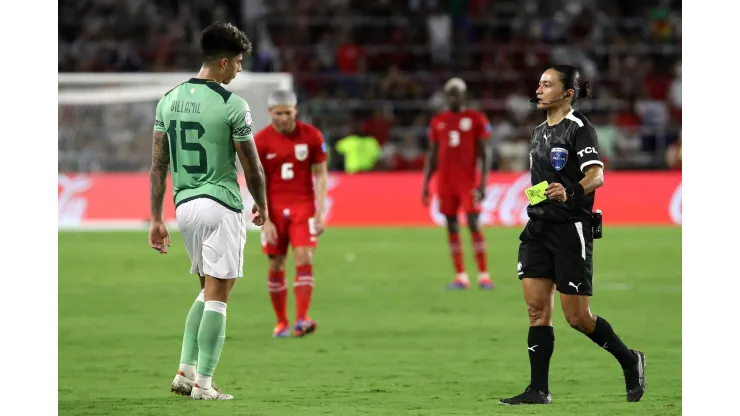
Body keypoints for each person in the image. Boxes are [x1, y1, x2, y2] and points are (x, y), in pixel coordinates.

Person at [499, 65, 646, 405]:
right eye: (538, 83)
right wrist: (534, 198)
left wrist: (569, 192)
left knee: (577, 318)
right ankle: (538, 390)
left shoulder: (579, 128)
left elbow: (595, 176)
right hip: (537, 229)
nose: (538, 89)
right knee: (537, 311)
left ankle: (630, 360)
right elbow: (540, 185)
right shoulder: (537, 133)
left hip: (571, 230)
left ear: (567, 93)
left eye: (547, 84)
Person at [148, 22, 268, 401]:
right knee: (219, 295)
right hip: (220, 204)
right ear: (222, 61)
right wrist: (262, 204)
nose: (239, 69)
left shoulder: (168, 99)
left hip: (184, 207)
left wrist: (155, 217)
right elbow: (252, 166)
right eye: (237, 62)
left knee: (209, 289)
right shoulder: (233, 105)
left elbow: (158, 165)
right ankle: (204, 385)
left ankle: (185, 372)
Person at [253, 90, 328, 338]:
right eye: (278, 114)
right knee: (276, 263)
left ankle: (301, 319)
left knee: (304, 257)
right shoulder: (261, 141)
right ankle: (281, 323)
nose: (283, 118)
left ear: (296, 110)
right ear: (270, 113)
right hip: (273, 208)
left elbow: (321, 174)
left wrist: (319, 212)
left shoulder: (312, 136)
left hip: (303, 206)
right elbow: (256, 180)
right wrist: (265, 219)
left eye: (287, 113)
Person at [421, 78, 494, 290]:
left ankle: (483, 275)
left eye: (456, 93)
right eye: (449, 93)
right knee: (451, 224)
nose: (452, 97)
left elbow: (485, 152)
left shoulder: (476, 119)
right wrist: (426, 183)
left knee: (473, 223)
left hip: (468, 180)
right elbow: (432, 154)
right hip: (445, 181)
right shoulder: (438, 121)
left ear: (464, 95)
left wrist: (483, 182)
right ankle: (461, 276)